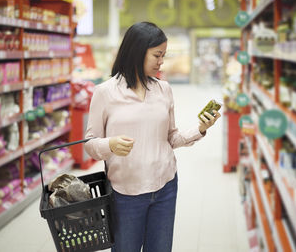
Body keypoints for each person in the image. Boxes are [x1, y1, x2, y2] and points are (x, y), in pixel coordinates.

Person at [84, 21, 221, 252]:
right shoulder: (105, 93)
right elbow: (90, 143)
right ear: (137, 51)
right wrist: (110, 145)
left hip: (165, 186)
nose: (162, 62)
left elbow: (171, 138)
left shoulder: (163, 89)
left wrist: (200, 129)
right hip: (125, 192)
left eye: (163, 55)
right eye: (157, 55)